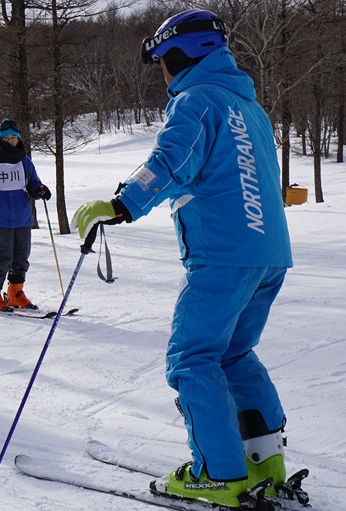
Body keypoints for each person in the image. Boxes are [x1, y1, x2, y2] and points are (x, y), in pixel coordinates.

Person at [71, 9, 292, 508]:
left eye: (162, 63)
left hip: (222, 255)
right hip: (267, 254)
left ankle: (219, 474)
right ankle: (265, 463)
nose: (163, 75)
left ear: (179, 55)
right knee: (233, 354)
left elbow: (172, 161)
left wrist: (122, 204)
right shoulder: (248, 107)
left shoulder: (197, 101)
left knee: (193, 359)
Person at [0, 118, 51, 311]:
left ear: (19, 138)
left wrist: (40, 190)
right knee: (3, 258)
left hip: (22, 217)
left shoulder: (24, 161)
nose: (10, 141)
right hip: (0, 218)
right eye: (6, 138)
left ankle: (15, 292)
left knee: (21, 258)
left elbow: (33, 183)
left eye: (13, 137)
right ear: (0, 139)